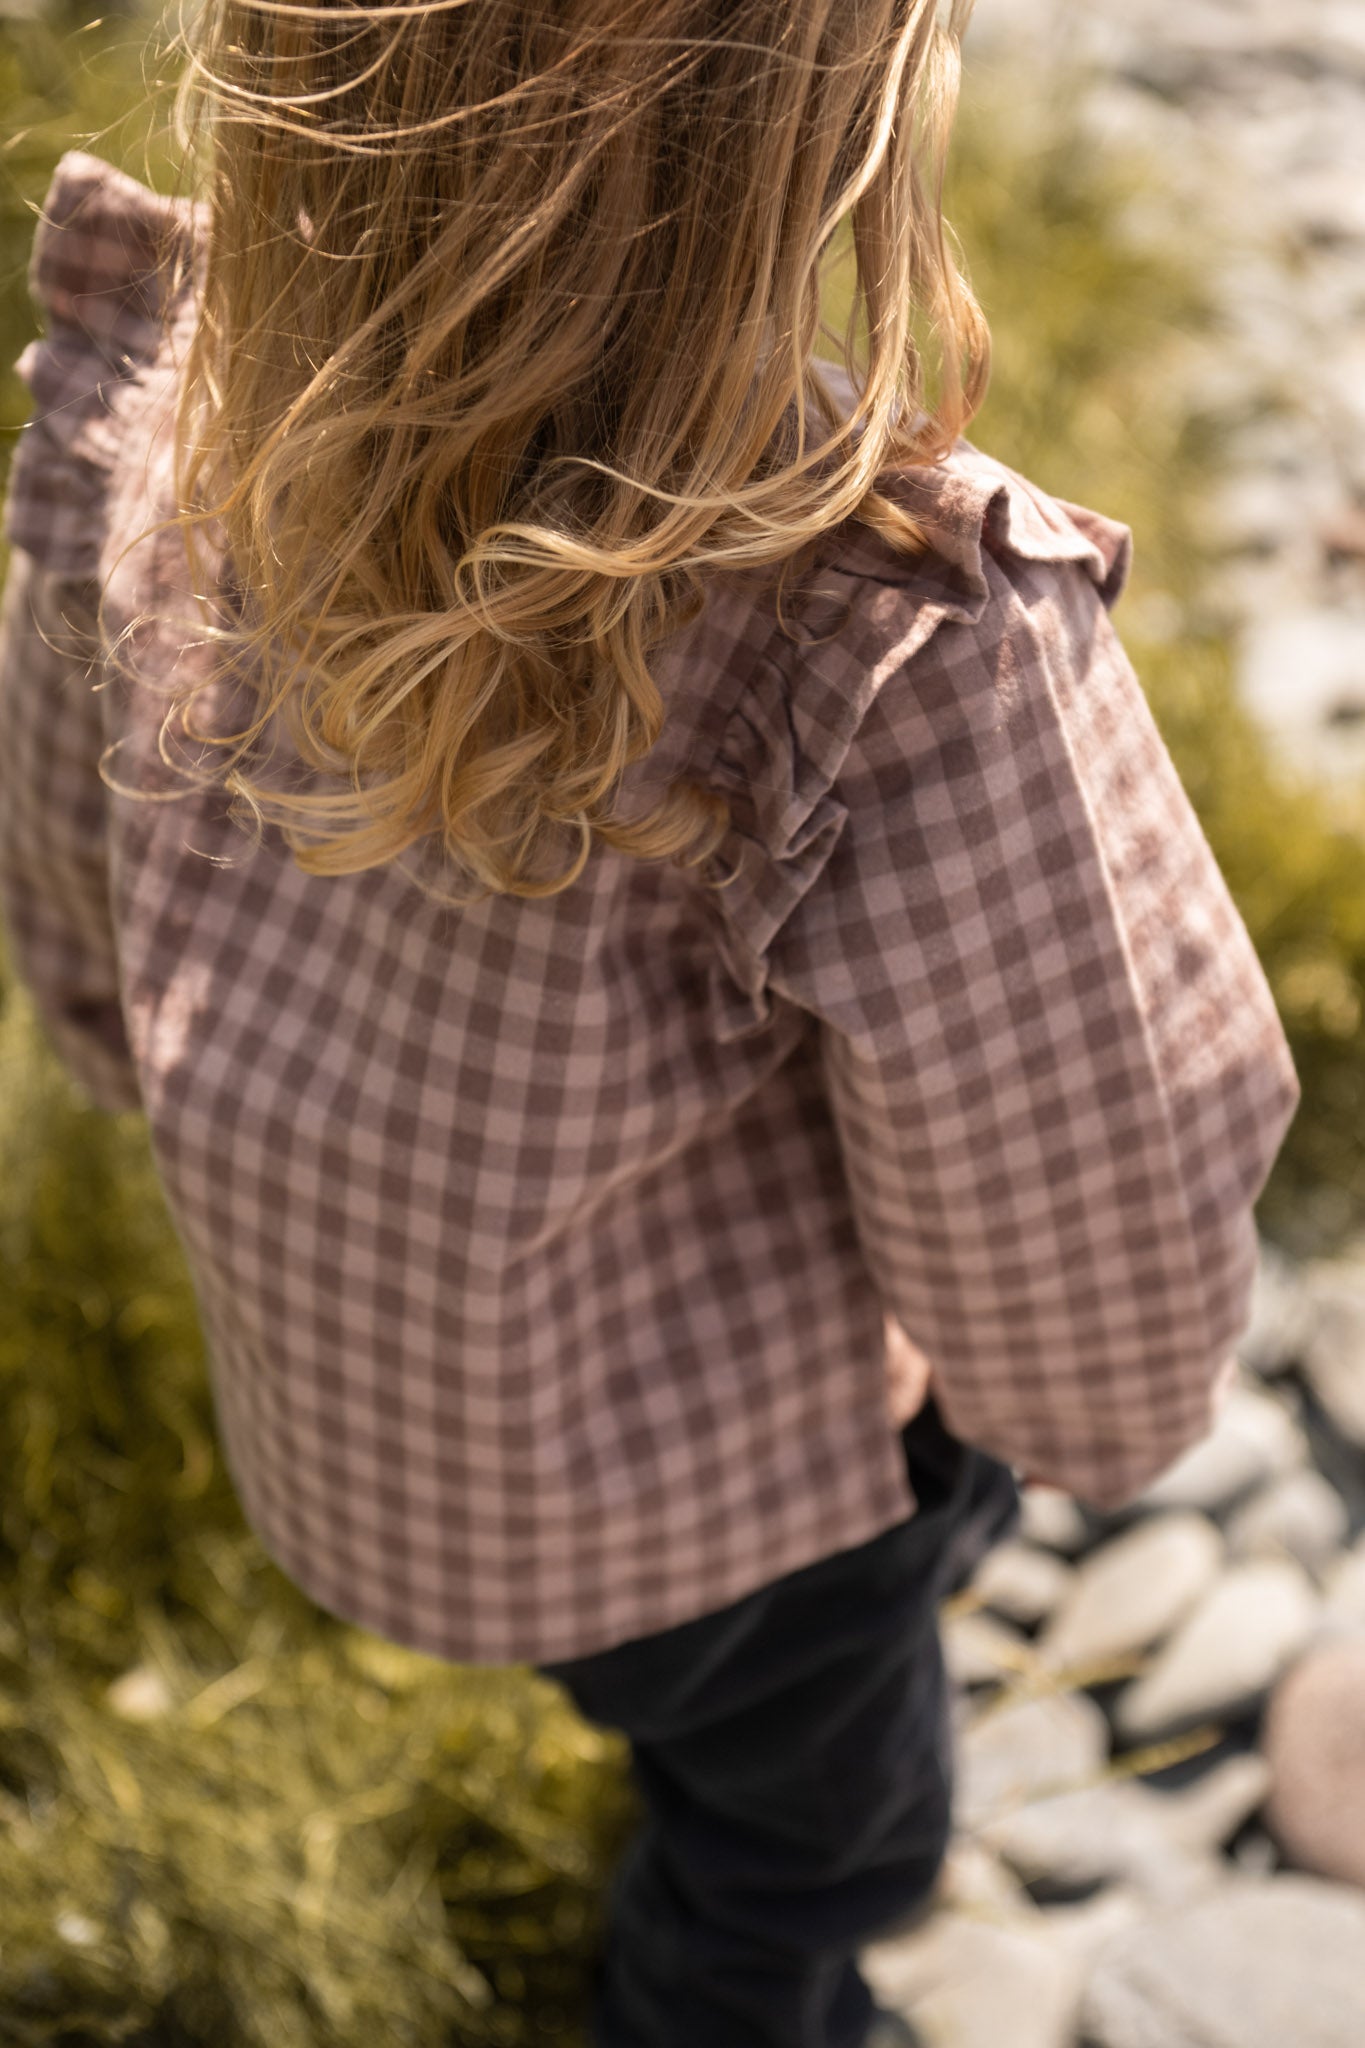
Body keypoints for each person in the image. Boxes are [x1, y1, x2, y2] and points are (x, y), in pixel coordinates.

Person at [0, 2, 1300, 2043]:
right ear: (820, 118)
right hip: (744, 1517)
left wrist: (117, 1046)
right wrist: (1091, 1423)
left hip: (359, 1425)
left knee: (666, 1703)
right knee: (799, 1848)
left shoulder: (182, 410)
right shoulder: (878, 630)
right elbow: (1074, 1178)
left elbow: (73, 868)